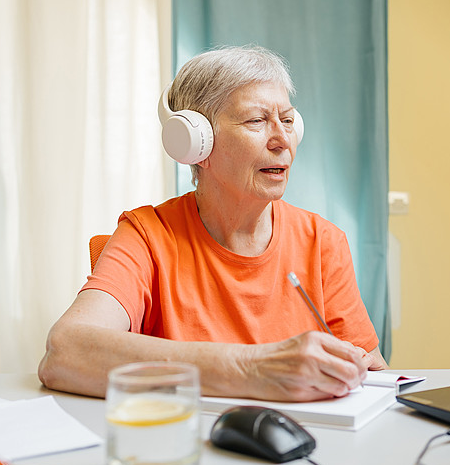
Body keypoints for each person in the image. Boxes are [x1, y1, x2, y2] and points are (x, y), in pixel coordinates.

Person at [38, 45, 388, 400]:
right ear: (194, 143)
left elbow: (374, 380)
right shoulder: (147, 234)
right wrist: (252, 369)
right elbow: (65, 352)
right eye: (256, 120)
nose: (283, 141)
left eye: (287, 120)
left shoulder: (323, 241)